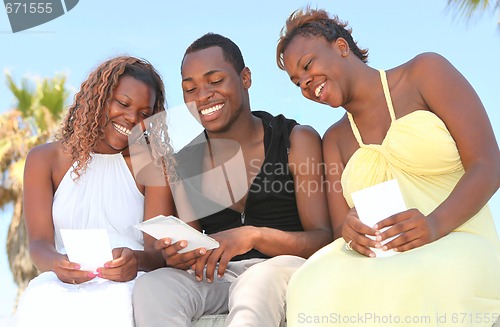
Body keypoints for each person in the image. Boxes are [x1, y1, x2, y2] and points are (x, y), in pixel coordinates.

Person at [276, 7, 500, 327]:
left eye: (308, 65)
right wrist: (352, 231)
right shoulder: (334, 139)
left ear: (341, 47)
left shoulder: (425, 73)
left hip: (459, 240)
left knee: (439, 277)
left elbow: (488, 164)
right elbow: (341, 230)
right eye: (297, 82)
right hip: (384, 260)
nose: (306, 84)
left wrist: (433, 225)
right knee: (310, 283)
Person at [132, 33, 332, 327]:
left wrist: (253, 236)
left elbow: (323, 238)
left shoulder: (295, 139)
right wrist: (178, 255)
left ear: (245, 78)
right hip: (220, 275)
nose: (202, 96)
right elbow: (194, 249)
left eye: (215, 81)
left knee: (256, 283)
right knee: (154, 287)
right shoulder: (183, 161)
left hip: (284, 270)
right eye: (190, 89)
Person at [13, 56, 176, 327]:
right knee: (39, 301)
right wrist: (57, 264)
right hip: (63, 280)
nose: (132, 119)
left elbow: (157, 253)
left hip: (129, 282)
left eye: (144, 114)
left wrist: (134, 261)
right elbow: (38, 243)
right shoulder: (44, 159)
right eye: (122, 104)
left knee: (115, 306)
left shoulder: (152, 164)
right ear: (97, 98)